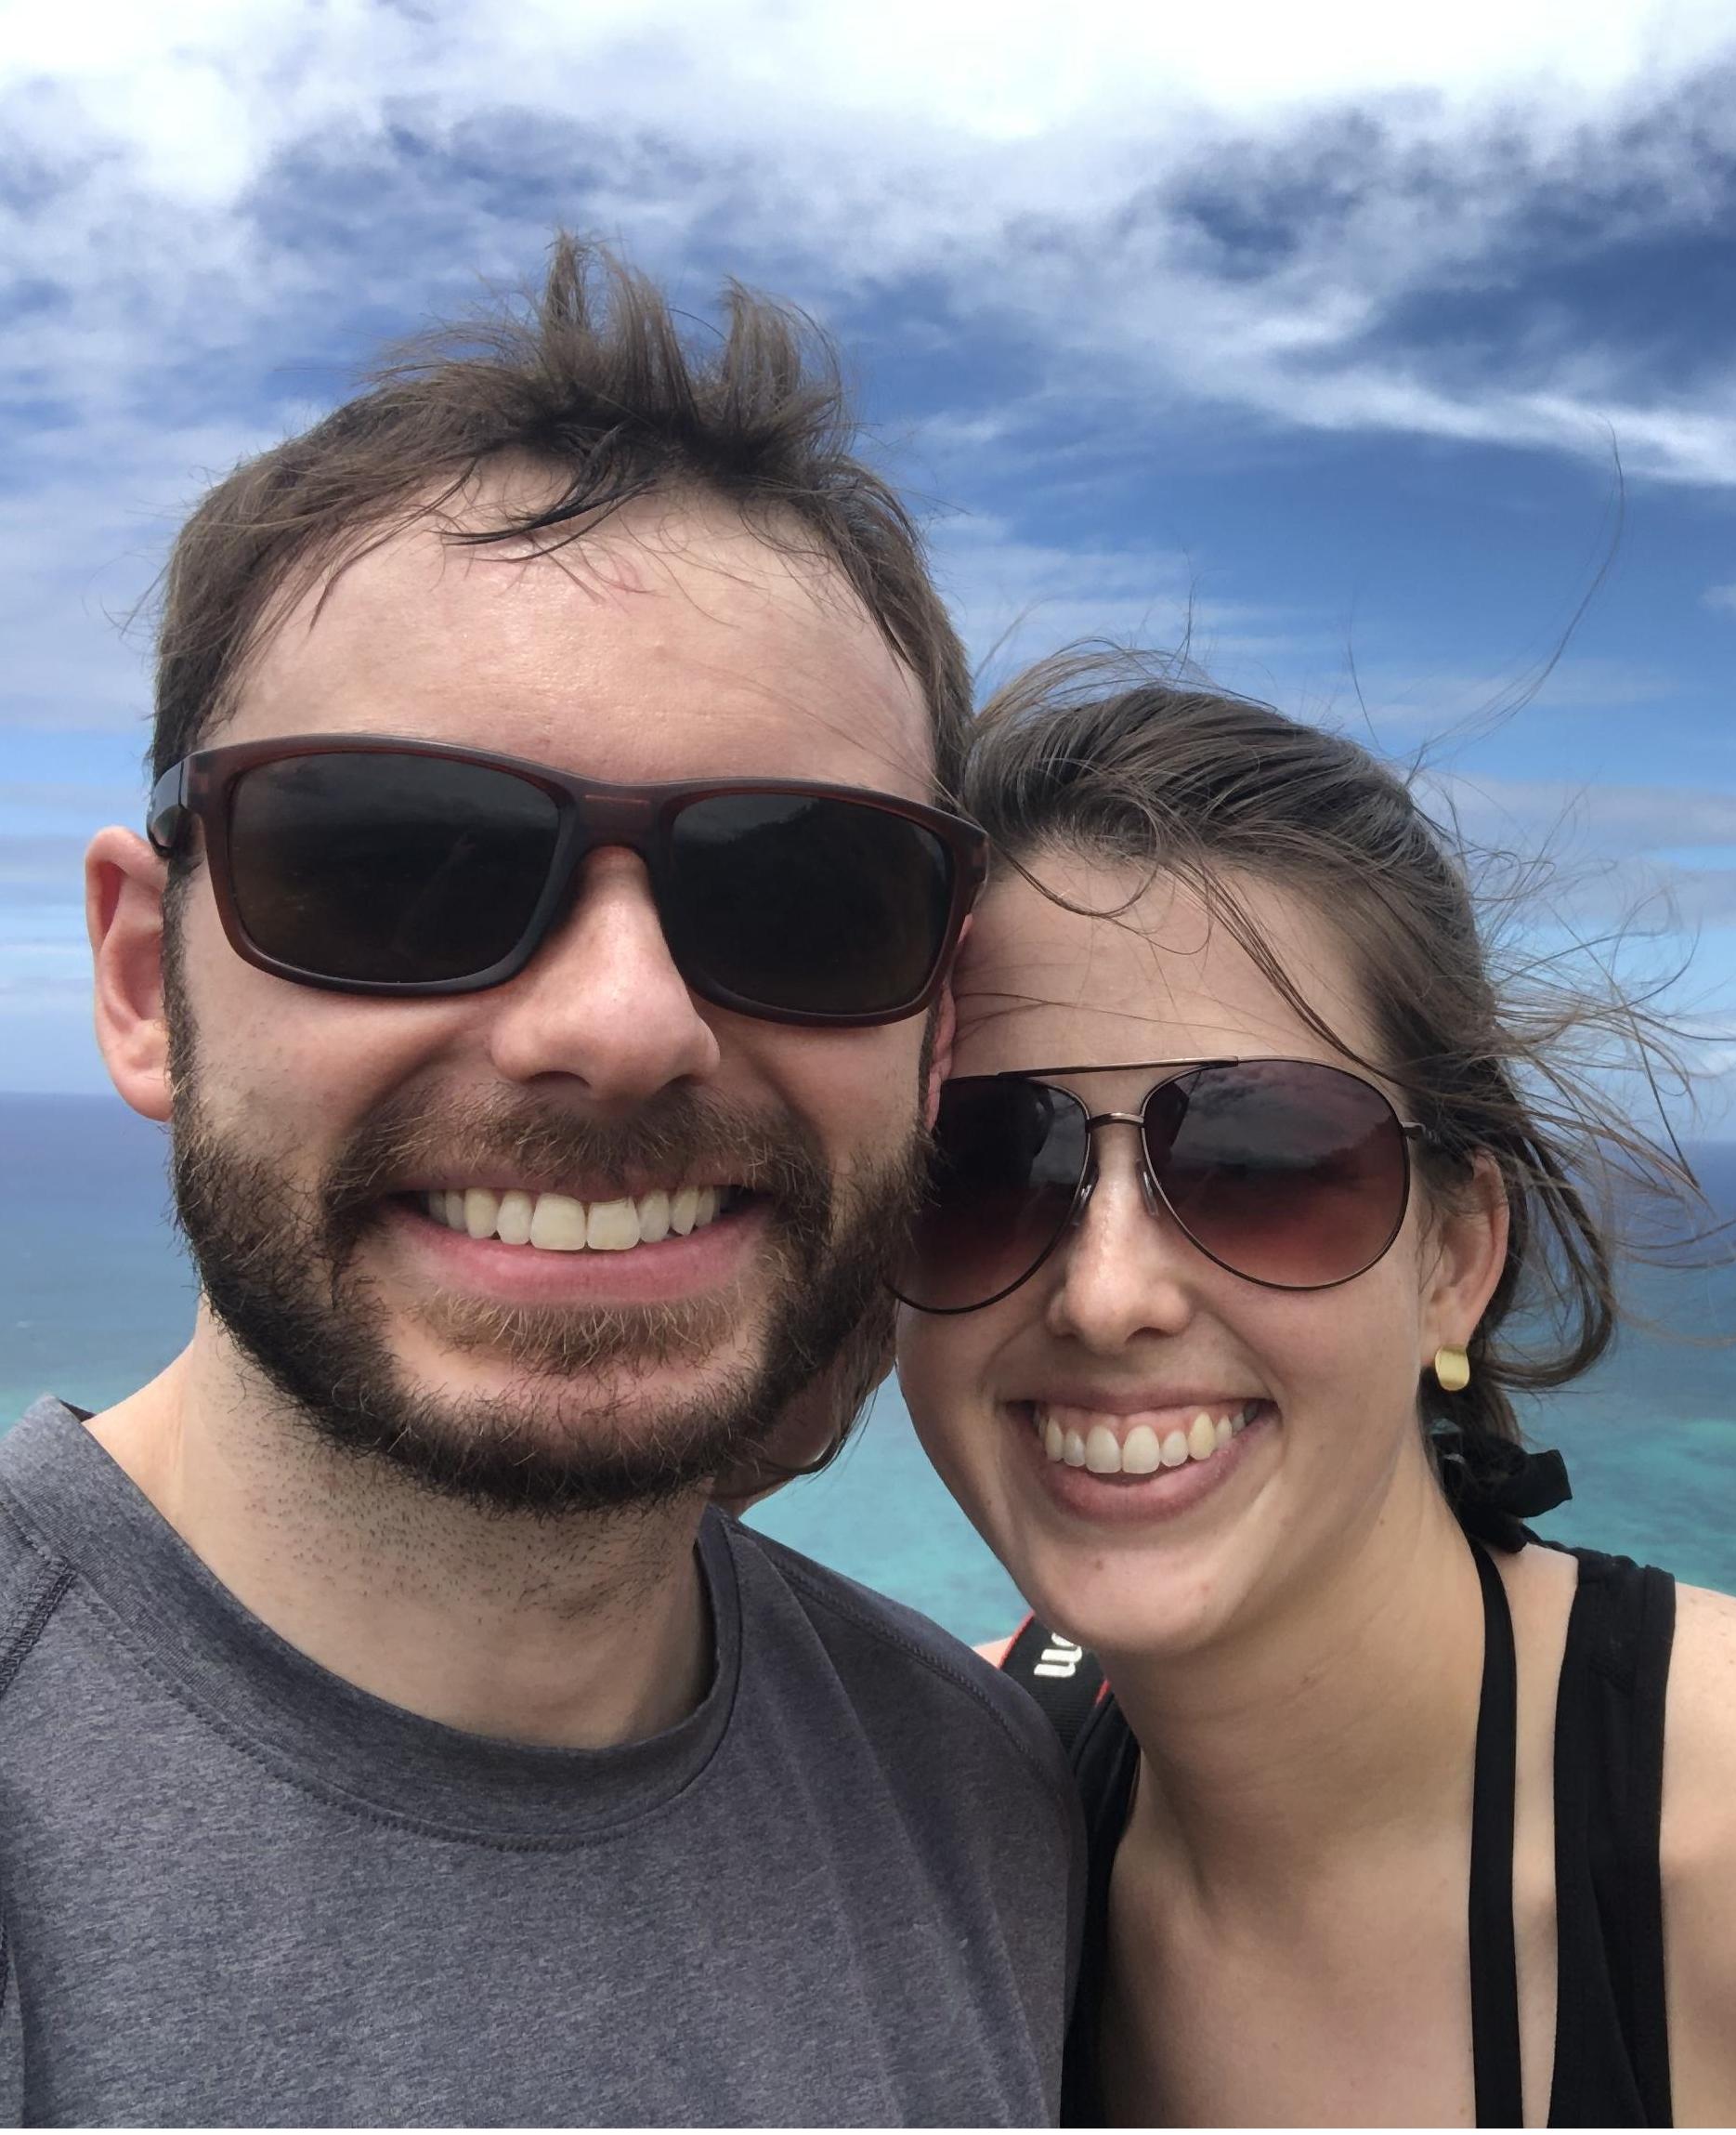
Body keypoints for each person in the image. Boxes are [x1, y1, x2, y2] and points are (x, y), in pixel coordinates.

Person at [0, 239, 1079, 2127]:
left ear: (933, 1035)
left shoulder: (980, 1802)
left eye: (805, 895)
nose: (624, 1022)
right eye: (404, 865)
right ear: (139, 979)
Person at [894, 656, 1736, 2128]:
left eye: (1258, 1164)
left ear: (1457, 1257)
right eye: (984, 1164)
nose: (1106, 1293)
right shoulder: (931, 1802)